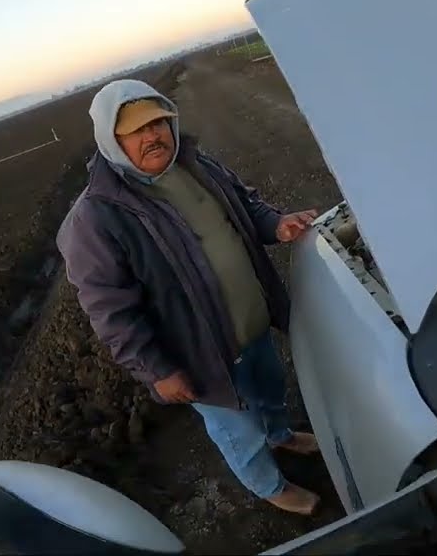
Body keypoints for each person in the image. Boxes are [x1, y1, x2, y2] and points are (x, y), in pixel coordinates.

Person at [57, 78, 324, 515]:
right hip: (201, 355)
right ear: (110, 138)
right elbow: (110, 310)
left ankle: (282, 435)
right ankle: (271, 487)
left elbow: (246, 205)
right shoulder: (95, 218)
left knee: (270, 389)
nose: (153, 135)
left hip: (250, 323)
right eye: (138, 130)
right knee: (236, 428)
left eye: (159, 123)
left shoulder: (198, 166)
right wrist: (156, 368)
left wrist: (276, 223)